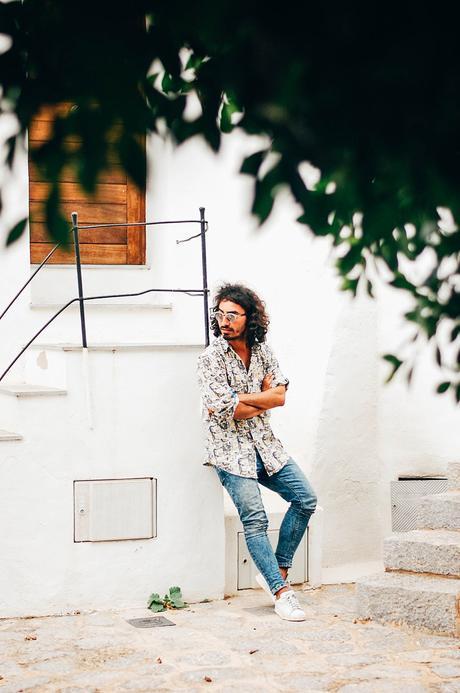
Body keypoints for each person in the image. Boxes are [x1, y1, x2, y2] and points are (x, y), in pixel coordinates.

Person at [197, 283, 317, 621]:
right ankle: (282, 592)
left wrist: (244, 399)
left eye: (232, 315)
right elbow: (227, 411)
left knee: (305, 498)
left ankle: (275, 571)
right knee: (256, 519)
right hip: (229, 452)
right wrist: (257, 399)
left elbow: (280, 396)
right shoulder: (210, 358)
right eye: (220, 314)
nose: (224, 320)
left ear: (250, 318)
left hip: (265, 447)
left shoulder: (264, 352)